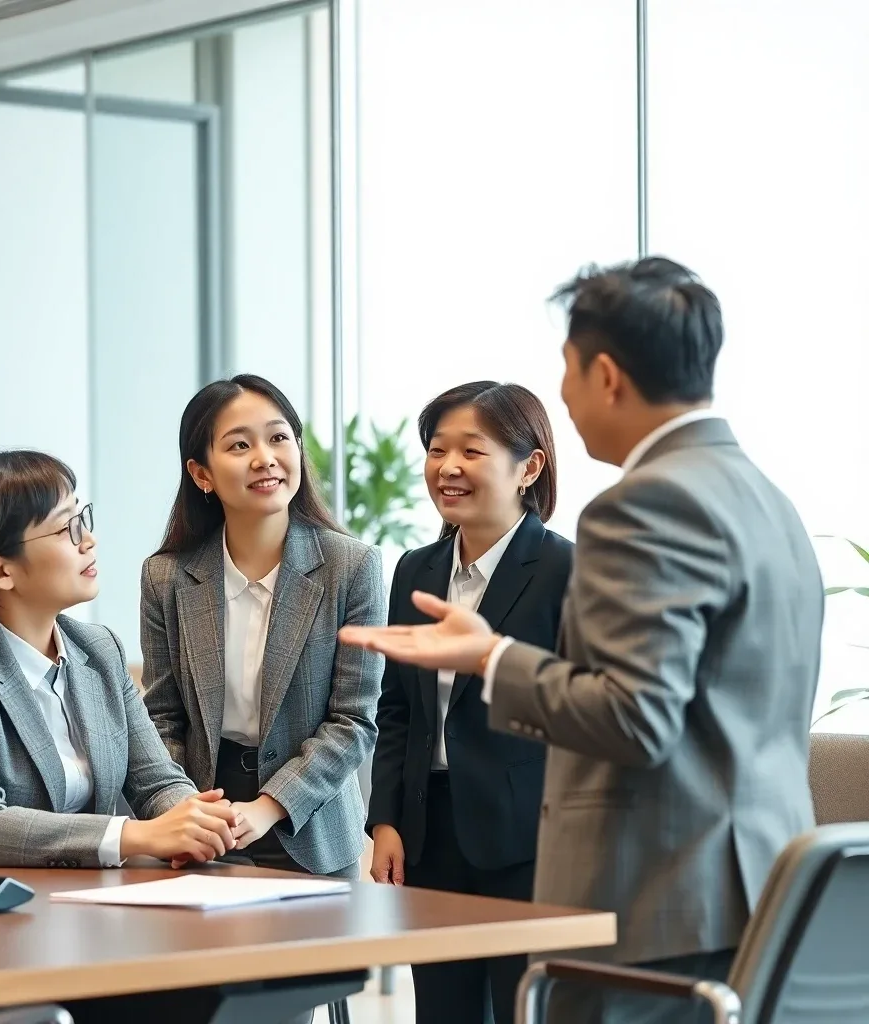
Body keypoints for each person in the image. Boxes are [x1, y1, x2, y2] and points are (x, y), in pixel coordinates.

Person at [340, 257, 824, 1023]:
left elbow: (635, 716)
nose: (563, 397)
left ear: (605, 375)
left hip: (663, 901)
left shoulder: (647, 504)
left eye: (567, 370)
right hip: (762, 886)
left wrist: (490, 657)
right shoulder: (766, 498)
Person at [0, 450, 239, 868]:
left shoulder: (99, 649)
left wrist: (195, 821)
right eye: (65, 528)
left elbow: (157, 782)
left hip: (79, 894)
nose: (88, 540)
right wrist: (135, 835)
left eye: (81, 518)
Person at [366, 381, 572, 1024]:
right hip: (431, 833)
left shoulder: (567, 571)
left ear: (528, 467)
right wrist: (386, 820)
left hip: (528, 839)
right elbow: (397, 708)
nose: (448, 467)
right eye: (436, 450)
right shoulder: (416, 570)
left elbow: (576, 708)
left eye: (471, 452)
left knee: (524, 1010)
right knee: (442, 1012)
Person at [141, 374, 385, 882]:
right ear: (201, 473)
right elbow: (161, 716)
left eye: (278, 437)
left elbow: (353, 721)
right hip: (203, 821)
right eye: (239, 445)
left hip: (311, 826)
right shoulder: (166, 577)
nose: (265, 458)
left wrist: (270, 805)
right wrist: (184, 808)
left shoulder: (352, 567)